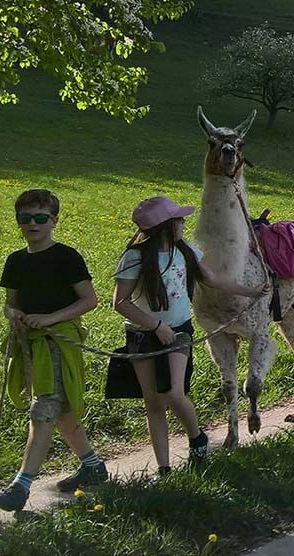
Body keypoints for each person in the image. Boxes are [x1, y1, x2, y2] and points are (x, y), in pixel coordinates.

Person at [113, 196, 268, 473]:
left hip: (179, 332)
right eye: (180, 220)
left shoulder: (187, 252)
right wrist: (155, 326)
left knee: (174, 393)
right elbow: (120, 302)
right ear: (166, 226)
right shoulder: (134, 257)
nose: (184, 223)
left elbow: (213, 280)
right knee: (153, 401)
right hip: (142, 335)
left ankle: (197, 437)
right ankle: (164, 468)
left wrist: (250, 292)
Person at [0, 190, 103, 512]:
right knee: (60, 409)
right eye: (25, 218)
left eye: (40, 218)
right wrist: (13, 314)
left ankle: (21, 486)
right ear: (18, 222)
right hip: (30, 345)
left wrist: (50, 319)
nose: (33, 224)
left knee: (43, 410)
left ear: (54, 221)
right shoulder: (15, 261)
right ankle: (93, 466)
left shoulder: (67, 257)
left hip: (58, 343)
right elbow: (11, 304)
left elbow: (89, 300)